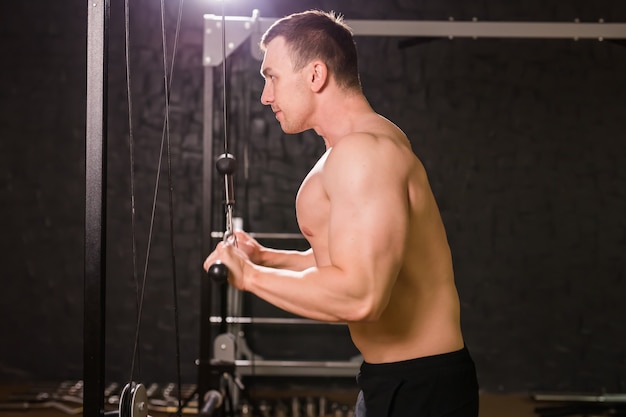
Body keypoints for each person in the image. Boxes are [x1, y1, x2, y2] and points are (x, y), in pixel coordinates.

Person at [204, 9, 479, 417]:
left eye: (271, 76)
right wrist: (266, 257)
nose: (266, 95)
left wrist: (250, 277)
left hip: (421, 389)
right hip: (393, 379)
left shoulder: (363, 153)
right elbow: (350, 260)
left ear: (315, 75)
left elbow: (361, 296)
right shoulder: (360, 144)